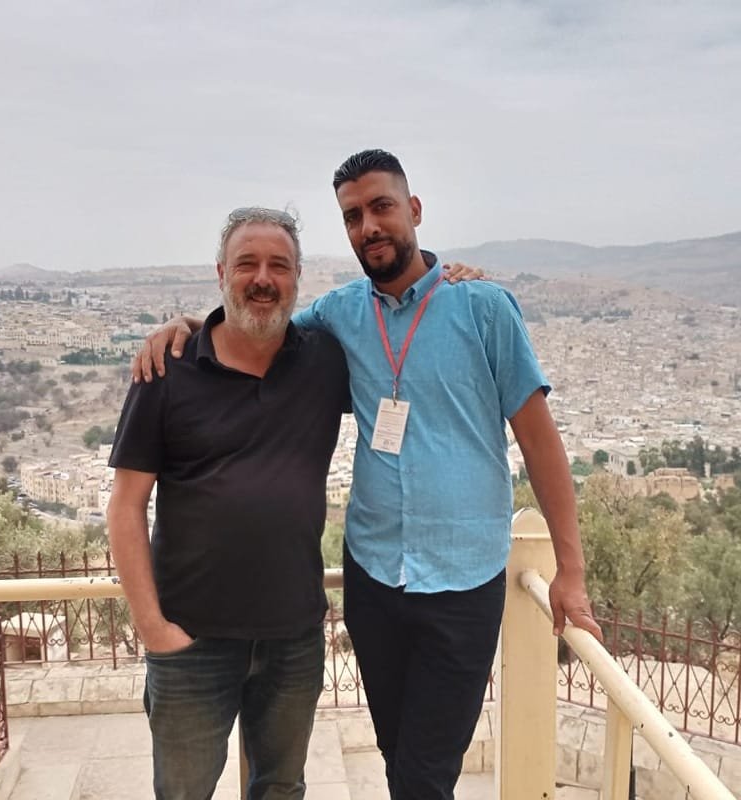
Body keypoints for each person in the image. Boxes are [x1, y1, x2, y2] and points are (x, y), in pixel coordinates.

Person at [134, 149, 602, 800]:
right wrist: (187, 326)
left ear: (413, 210)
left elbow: (542, 445)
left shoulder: (484, 307)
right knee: (396, 755)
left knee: (424, 774)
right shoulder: (339, 316)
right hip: (375, 579)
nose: (369, 226)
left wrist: (571, 573)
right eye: (353, 215)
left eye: (381, 207)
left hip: (464, 580)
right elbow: (254, 331)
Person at [107, 207, 352, 799]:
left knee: (281, 788)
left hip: (293, 637)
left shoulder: (324, 359)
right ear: (221, 272)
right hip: (191, 640)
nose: (262, 278)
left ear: (297, 278)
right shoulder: (168, 369)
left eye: (278, 265)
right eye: (247, 263)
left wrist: (452, 281)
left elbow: (402, 334)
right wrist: (152, 627)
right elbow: (125, 505)